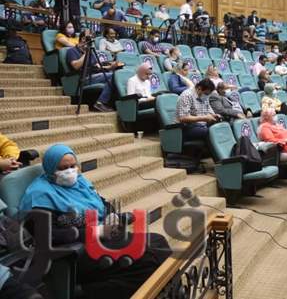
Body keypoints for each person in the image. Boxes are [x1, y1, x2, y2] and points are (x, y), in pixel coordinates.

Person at [18, 144, 171, 299]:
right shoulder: (39, 195)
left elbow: (103, 203)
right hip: (74, 252)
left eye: (73, 166)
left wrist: (112, 216)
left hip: (104, 239)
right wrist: (97, 231)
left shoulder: (81, 183)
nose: (70, 171)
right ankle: (84, 293)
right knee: (147, 258)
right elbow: (49, 236)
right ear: (50, 169)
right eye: (63, 168)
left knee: (157, 242)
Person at [66, 30, 122, 112]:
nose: (92, 42)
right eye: (90, 39)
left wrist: (111, 67)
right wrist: (86, 52)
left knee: (116, 74)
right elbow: (76, 66)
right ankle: (100, 103)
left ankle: (115, 103)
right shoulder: (72, 51)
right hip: (85, 78)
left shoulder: (91, 52)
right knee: (113, 76)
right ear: (83, 39)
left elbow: (98, 66)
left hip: (96, 75)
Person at [175, 79, 221, 146]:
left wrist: (214, 115)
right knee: (212, 132)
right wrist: (204, 118)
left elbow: (208, 110)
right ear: (199, 88)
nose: (207, 96)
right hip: (186, 128)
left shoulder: (204, 96)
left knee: (221, 127)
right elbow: (183, 118)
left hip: (201, 125)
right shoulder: (186, 95)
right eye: (206, 94)